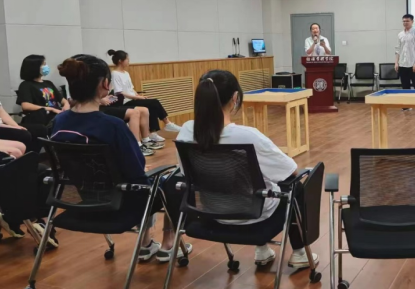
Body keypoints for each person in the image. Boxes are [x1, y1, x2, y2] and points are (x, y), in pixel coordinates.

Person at [52, 54, 191, 263]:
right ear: (105, 85)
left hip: (83, 199)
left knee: (143, 182)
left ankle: (146, 243)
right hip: (122, 204)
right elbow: (136, 171)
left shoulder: (59, 121)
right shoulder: (112, 125)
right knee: (171, 182)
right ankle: (168, 243)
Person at [176, 70, 319, 269]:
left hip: (210, 212)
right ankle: (299, 252)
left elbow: (184, 172)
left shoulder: (186, 130)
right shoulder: (248, 136)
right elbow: (290, 172)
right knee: (295, 187)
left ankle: (263, 250)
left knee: (246, 180)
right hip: (254, 216)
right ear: (235, 98)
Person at [107, 50, 181, 143]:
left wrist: (138, 95)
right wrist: (137, 98)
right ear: (120, 61)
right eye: (127, 59)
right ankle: (167, 123)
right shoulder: (115, 74)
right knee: (154, 102)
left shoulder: (126, 73)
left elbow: (131, 89)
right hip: (125, 101)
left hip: (133, 98)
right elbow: (119, 92)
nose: (128, 61)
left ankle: (153, 133)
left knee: (152, 105)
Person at [17, 55, 70, 127]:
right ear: (34, 67)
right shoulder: (26, 85)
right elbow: (26, 105)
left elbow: (62, 99)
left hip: (57, 115)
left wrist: (66, 105)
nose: (46, 66)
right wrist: (51, 109)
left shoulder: (48, 83)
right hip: (43, 119)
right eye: (43, 64)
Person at [395, 14, 415, 91]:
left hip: (413, 64)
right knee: (405, 87)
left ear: (412, 22)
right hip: (402, 64)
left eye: (407, 21)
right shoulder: (400, 34)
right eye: (404, 21)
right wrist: (396, 63)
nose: (405, 23)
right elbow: (398, 49)